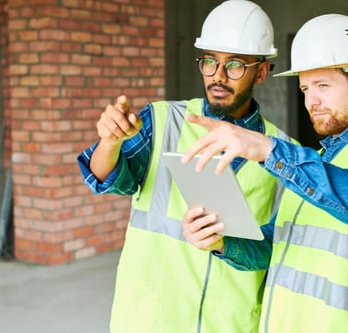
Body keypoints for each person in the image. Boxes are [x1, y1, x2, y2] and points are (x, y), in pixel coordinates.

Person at [181, 14, 348, 333]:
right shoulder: (317, 163)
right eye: (305, 89)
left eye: (322, 86)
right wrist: (220, 243)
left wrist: (269, 149)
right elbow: (275, 245)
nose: (311, 101)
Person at [77, 1, 293, 332]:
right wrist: (110, 141)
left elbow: (274, 250)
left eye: (234, 65)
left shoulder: (283, 152)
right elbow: (104, 179)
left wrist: (225, 244)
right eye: (210, 62)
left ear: (261, 72)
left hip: (229, 324)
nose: (218, 76)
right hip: (151, 320)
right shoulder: (164, 120)